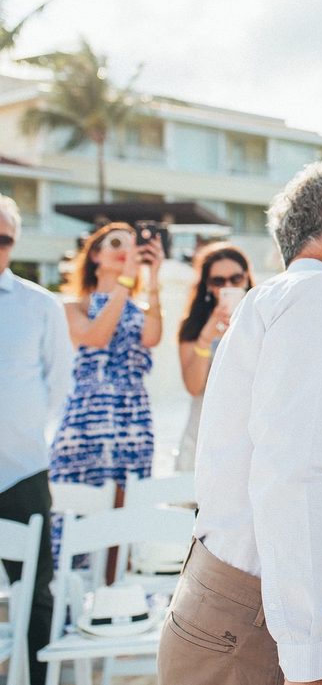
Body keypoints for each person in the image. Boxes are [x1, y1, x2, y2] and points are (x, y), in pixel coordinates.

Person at [159, 163, 322, 685]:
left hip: (246, 618)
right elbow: (292, 474)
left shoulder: (294, 297)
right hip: (258, 634)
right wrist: (310, 656)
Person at [49, 221, 164, 570]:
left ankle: (113, 600)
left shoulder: (139, 309)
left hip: (132, 417)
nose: (125, 248)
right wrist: (126, 284)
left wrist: (153, 277)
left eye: (132, 243)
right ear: (95, 255)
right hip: (87, 418)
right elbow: (96, 336)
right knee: (76, 512)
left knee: (125, 512)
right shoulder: (73, 306)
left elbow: (152, 338)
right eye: (115, 242)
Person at [0, 195, 73, 685]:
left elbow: (59, 388)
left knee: (36, 589)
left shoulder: (41, 306)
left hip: (22, 469)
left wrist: (26, 437)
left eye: (3, 239)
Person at [175, 242, 255, 471]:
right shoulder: (194, 326)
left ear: (247, 278)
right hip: (203, 432)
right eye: (218, 281)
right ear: (207, 286)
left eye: (236, 279)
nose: (228, 286)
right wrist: (206, 337)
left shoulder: (263, 320)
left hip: (246, 435)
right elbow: (193, 386)